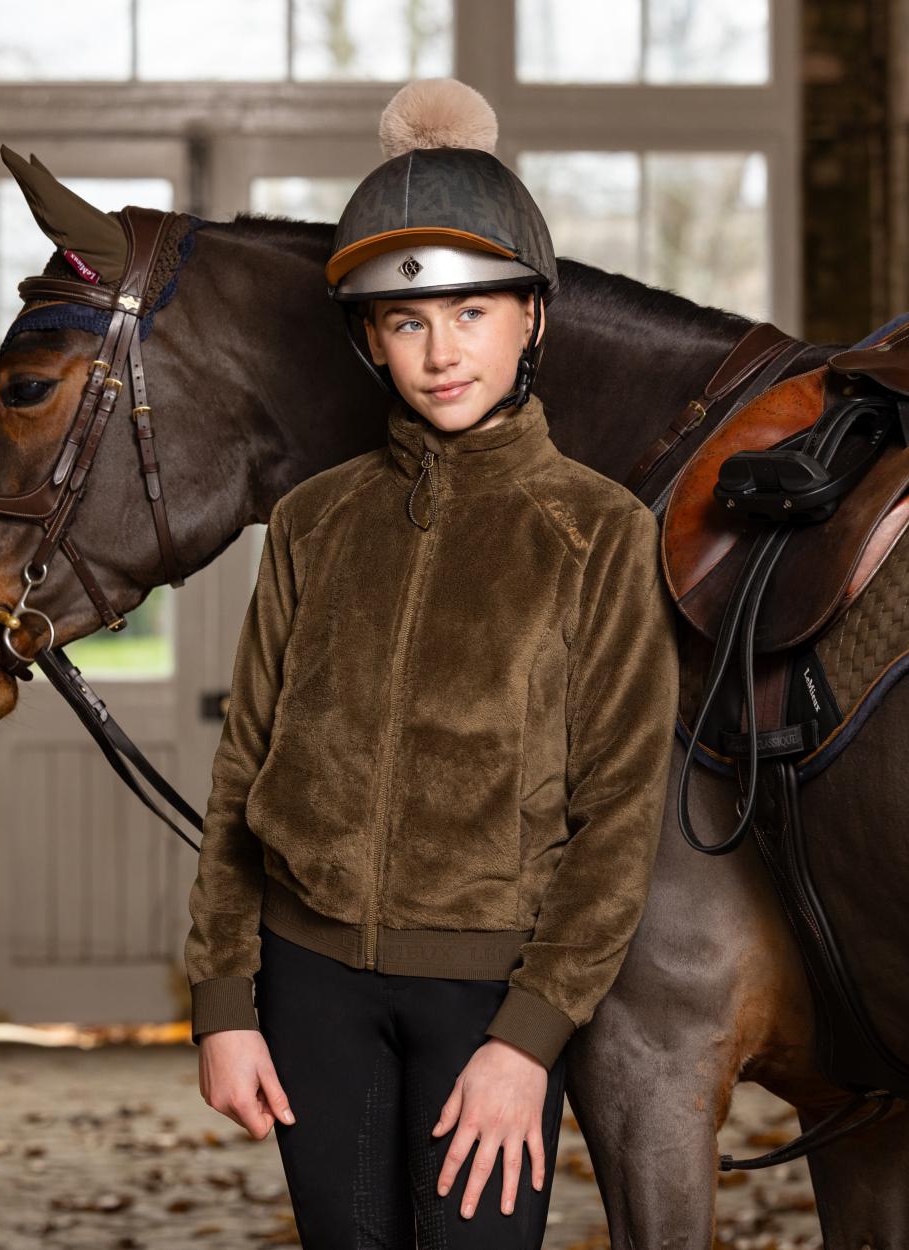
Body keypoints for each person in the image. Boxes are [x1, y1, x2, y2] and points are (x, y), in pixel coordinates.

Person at [184, 78, 679, 1249]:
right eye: (407, 322)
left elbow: (617, 815)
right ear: (368, 337)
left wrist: (528, 1039)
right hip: (309, 989)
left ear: (532, 318)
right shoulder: (311, 520)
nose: (441, 350)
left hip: (486, 999)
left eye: (472, 313)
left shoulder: (600, 530)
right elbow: (243, 771)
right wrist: (222, 1001)